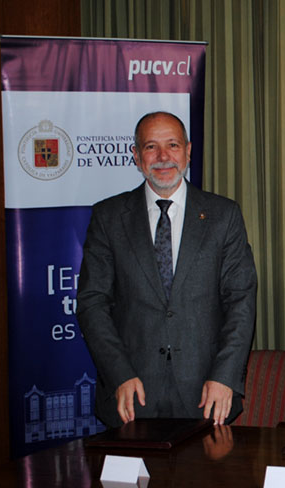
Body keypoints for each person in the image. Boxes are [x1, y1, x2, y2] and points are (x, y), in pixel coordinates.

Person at [77, 111, 257, 428]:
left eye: (172, 145)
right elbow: (92, 303)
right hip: (132, 393)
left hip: (207, 392)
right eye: (151, 147)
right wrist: (119, 374)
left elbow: (240, 301)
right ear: (136, 156)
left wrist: (224, 376)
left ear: (188, 151)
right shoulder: (108, 217)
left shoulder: (223, 215)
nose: (163, 157)